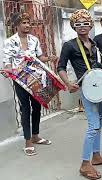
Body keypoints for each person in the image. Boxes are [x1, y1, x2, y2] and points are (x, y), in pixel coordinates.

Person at [57, 10, 102, 180]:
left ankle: (96, 156)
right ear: (73, 26)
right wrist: (68, 83)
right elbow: (60, 66)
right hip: (86, 88)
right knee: (93, 125)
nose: (82, 26)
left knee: (99, 121)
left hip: (99, 86)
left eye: (85, 23)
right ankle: (85, 164)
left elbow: (96, 64)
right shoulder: (69, 45)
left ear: (91, 25)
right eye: (78, 24)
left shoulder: (94, 43)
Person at [3, 12, 57, 156]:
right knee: (25, 108)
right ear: (17, 25)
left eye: (28, 23)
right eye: (24, 23)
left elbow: (40, 57)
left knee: (37, 106)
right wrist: (7, 70)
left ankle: (35, 135)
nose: (27, 25)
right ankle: (27, 141)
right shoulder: (10, 41)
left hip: (36, 78)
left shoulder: (34, 40)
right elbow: (7, 61)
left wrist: (49, 58)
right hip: (20, 79)